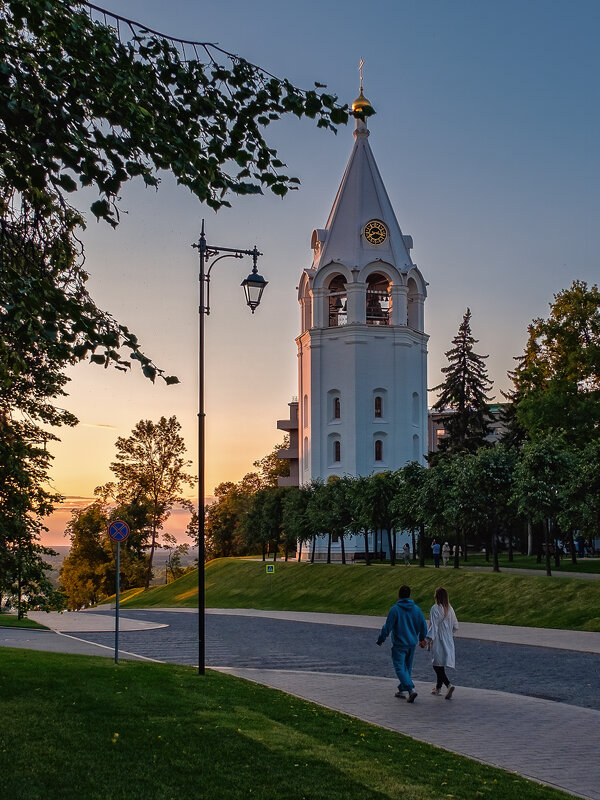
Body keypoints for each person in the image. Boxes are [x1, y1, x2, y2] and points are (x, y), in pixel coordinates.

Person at [376, 585, 427, 703]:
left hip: (399, 644)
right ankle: (402, 689)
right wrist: (422, 638)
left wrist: (381, 639)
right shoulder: (417, 610)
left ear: (399, 595)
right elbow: (423, 625)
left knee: (399, 667)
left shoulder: (395, 610)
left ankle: (411, 688)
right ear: (409, 595)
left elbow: (387, 627)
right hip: (412, 644)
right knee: (407, 668)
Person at [426, 586, 459, 699]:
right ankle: (438, 688)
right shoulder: (450, 609)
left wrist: (427, 640)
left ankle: (448, 685)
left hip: (438, 640)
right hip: (448, 639)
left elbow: (433, 627)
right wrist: (450, 634)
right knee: (440, 664)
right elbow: (456, 626)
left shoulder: (435, 608)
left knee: (436, 664)